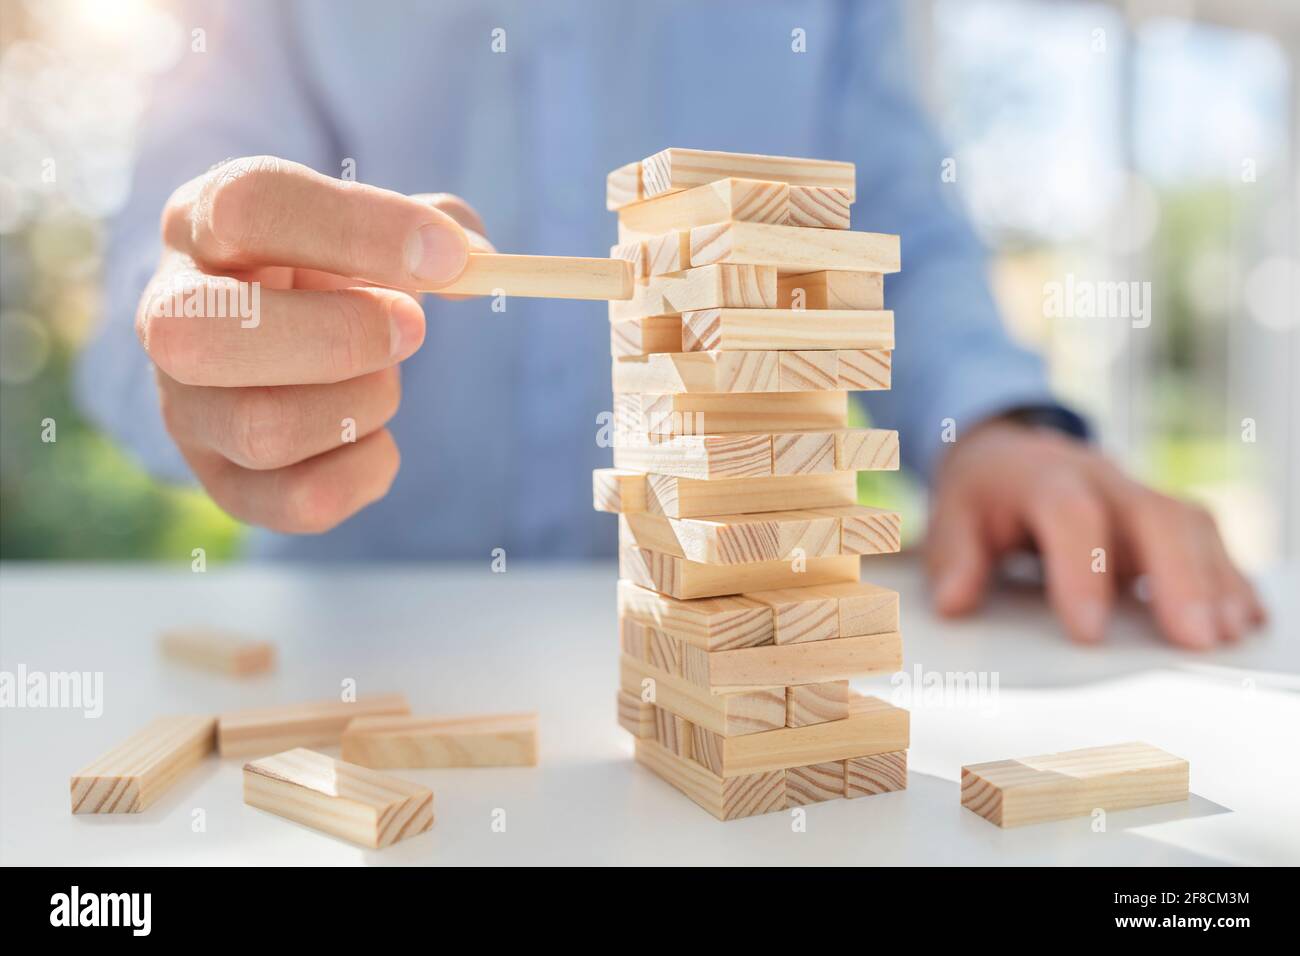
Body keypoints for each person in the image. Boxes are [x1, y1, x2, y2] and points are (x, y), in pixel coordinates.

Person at [77, 0, 1264, 648]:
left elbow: (892, 229)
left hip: (732, 629)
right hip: (341, 642)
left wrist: (995, 420)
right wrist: (193, 335)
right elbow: (168, 245)